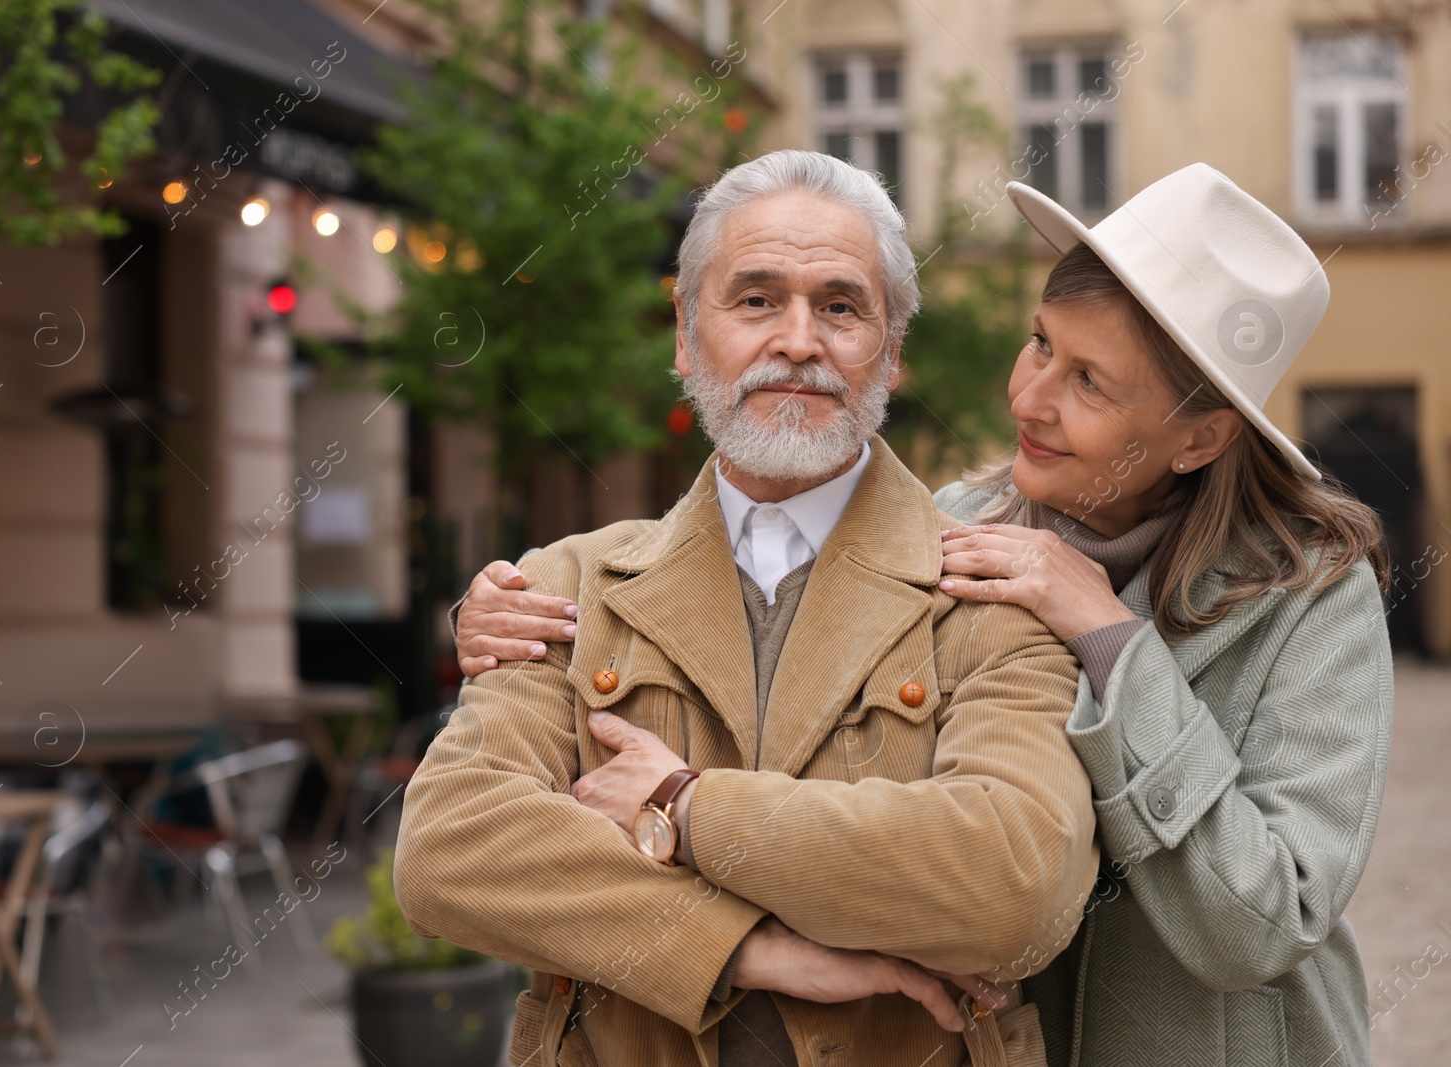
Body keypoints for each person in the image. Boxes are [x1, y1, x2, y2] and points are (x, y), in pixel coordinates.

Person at [451, 162, 1394, 1067]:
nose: (1029, 397)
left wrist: (1110, 641)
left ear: (1202, 436)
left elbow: (1263, 920)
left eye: (1090, 383)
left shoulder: (1310, 596)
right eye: (1040, 343)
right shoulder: (962, 532)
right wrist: (498, 614)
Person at [395, 149, 1100, 1067]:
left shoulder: (993, 590)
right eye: (758, 299)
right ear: (687, 335)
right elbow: (453, 849)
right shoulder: (564, 584)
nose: (799, 341)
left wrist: (682, 807)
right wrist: (744, 950)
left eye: (841, 307)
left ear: (890, 355)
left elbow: (1015, 889)